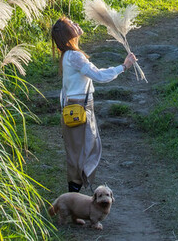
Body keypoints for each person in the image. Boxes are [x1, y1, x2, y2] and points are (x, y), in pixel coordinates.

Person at [53, 16, 137, 194]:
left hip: (74, 107)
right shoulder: (74, 56)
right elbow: (99, 76)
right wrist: (124, 66)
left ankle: (74, 197)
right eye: (72, 25)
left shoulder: (67, 56)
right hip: (80, 108)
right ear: (68, 34)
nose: (76, 24)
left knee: (80, 151)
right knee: (83, 152)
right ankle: (74, 199)